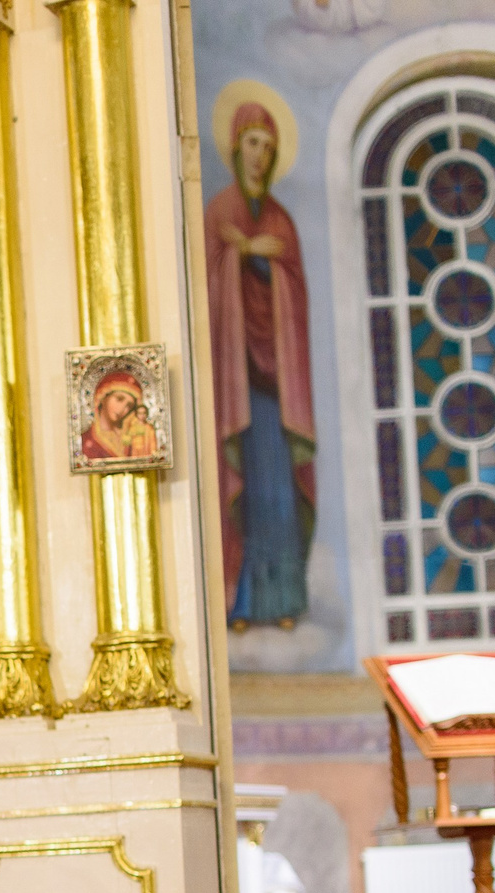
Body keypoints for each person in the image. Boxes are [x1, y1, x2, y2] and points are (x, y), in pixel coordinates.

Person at [204, 99, 316, 633]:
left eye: (269, 148)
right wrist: (239, 256)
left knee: (277, 490)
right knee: (241, 486)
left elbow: (293, 294)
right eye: (253, 143)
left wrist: (266, 261)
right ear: (235, 147)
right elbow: (208, 284)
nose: (260, 156)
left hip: (273, 382)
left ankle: (282, 601)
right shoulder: (220, 211)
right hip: (236, 380)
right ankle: (242, 601)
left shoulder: (281, 221)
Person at [80, 368, 160, 464]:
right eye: (119, 399)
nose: (122, 409)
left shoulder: (134, 435)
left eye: (129, 406)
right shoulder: (86, 440)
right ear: (102, 396)